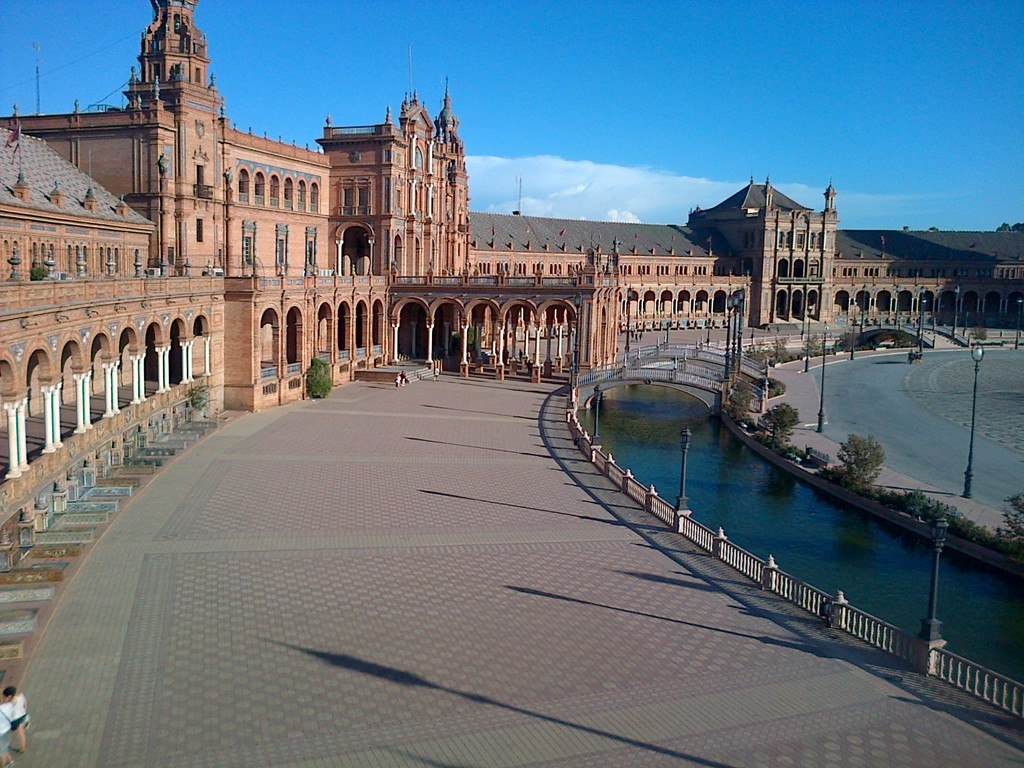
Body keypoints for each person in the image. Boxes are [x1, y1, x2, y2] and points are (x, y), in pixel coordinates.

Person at [3, 688, 26, 754]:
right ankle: (23, 747)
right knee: (21, 732)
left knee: (6, 730)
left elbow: (7, 706)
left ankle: (4, 743)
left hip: (15, 718)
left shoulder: (13, 701)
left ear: (9, 696)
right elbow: (25, 704)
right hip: (22, 715)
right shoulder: (21, 695)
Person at [0, 689, 14, 767]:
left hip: (1, 732)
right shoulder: (9, 705)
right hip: (6, 729)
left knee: (1, 753)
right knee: (4, 748)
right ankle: (10, 761)